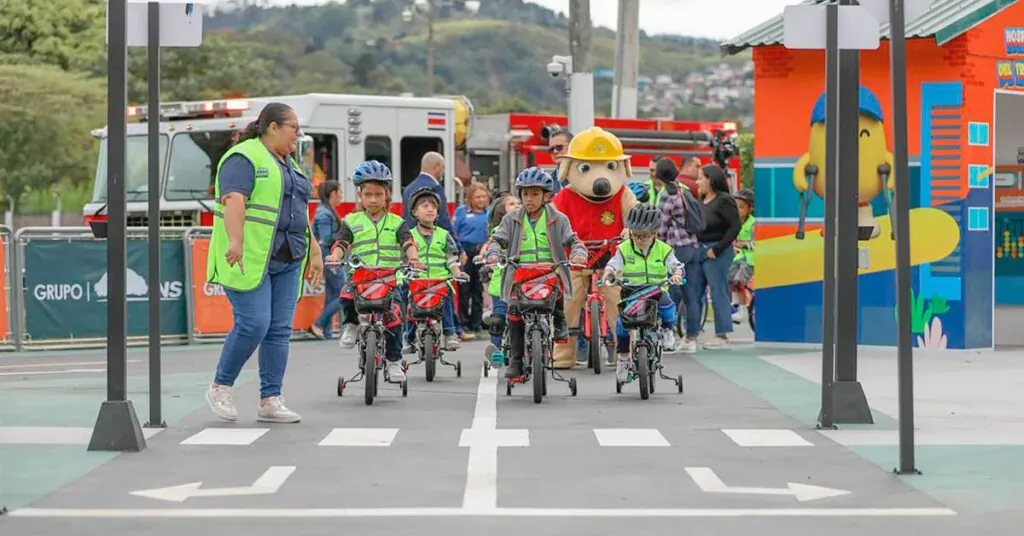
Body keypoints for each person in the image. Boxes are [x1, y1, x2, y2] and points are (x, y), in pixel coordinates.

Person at [205, 102, 325, 424]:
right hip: (249, 257)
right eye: (294, 129)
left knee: (278, 330)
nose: (297, 136)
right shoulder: (243, 157)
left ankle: (270, 398)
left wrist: (314, 250)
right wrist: (236, 241)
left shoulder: (290, 165)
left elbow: (298, 213)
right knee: (254, 323)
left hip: (288, 258)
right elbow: (233, 199)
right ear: (273, 127)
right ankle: (221, 386)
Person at [483, 167, 587, 379]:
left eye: (535, 194)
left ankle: (560, 322)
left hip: (549, 273)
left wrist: (578, 255)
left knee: (558, 292)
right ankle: (516, 361)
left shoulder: (559, 219)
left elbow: (574, 241)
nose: (529, 199)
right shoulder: (510, 219)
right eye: (525, 194)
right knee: (513, 311)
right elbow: (497, 240)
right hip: (519, 275)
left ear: (546, 196)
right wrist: (493, 254)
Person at [326, 160, 422, 382]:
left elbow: (408, 243)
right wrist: (335, 257)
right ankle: (350, 325)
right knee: (346, 295)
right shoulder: (351, 221)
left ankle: (395, 362)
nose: (373, 199)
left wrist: (414, 259)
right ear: (360, 195)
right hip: (360, 278)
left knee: (394, 320)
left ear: (387, 194)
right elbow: (341, 244)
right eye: (367, 194)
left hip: (390, 280)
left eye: (378, 194)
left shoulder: (398, 223)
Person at [603, 204, 684, 382]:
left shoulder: (663, 249)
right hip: (631, 294)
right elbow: (612, 265)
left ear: (654, 233)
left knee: (667, 306)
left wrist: (677, 275)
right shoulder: (624, 249)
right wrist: (609, 274)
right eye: (636, 235)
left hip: (656, 291)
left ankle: (668, 331)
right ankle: (623, 359)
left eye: (645, 236)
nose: (640, 239)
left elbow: (676, 265)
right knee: (621, 325)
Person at [404, 187, 465, 352]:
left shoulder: (444, 235)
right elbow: (404, 258)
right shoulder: (409, 235)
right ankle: (408, 338)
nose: (430, 209)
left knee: (447, 303)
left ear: (438, 213)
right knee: (411, 307)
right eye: (424, 206)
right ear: (415, 212)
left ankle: (450, 333)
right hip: (418, 282)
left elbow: (451, 259)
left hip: (440, 282)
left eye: (433, 206)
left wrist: (457, 274)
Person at [655, 157, 702, 354]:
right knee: (691, 296)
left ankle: (669, 336)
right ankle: (691, 338)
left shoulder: (667, 196)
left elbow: (662, 228)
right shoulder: (685, 191)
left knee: (671, 295)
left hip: (677, 251)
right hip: (692, 247)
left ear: (659, 176)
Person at [692, 164, 741, 349]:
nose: (697, 182)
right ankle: (692, 333)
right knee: (694, 291)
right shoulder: (701, 200)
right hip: (699, 250)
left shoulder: (724, 200)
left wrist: (718, 249)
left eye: (700, 178)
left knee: (718, 290)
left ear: (710, 180)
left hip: (717, 251)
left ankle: (722, 335)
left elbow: (735, 226)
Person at [482, 192, 522, 363]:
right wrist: (486, 256)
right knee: (498, 318)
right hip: (501, 283)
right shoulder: (499, 230)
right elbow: (489, 246)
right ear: (502, 211)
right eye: (511, 204)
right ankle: (496, 351)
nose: (517, 206)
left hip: (522, 281)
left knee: (522, 317)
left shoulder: (527, 227)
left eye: (518, 203)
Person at [453, 182, 490, 333]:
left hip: (482, 253)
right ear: (470, 198)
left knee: (478, 289)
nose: (481, 200)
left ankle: (476, 323)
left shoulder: (489, 212)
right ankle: (463, 322)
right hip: (466, 253)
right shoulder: (462, 212)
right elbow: (454, 231)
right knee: (464, 289)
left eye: (483, 196)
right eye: (477, 197)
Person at [310, 180, 344, 340]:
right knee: (345, 294)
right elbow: (325, 239)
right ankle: (318, 323)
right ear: (333, 194)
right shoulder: (325, 213)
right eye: (340, 192)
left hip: (328, 257)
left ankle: (326, 331)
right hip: (330, 258)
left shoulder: (325, 211)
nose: (342, 196)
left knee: (332, 294)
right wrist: (344, 231)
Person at [730, 188, 755, 323]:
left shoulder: (753, 224)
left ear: (749, 209)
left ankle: (741, 308)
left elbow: (757, 243)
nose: (738, 210)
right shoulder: (733, 222)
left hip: (750, 259)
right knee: (729, 278)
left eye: (741, 207)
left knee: (739, 280)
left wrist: (744, 244)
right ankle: (735, 303)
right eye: (735, 207)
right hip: (737, 257)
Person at [547, 129, 572, 194]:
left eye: (559, 147)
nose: (555, 151)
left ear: (571, 147)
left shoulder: (584, 176)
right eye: (551, 149)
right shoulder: (548, 183)